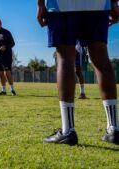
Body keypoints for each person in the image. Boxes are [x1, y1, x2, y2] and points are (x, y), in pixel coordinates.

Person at [37, 0, 119, 145]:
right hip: (98, 4)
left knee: (65, 57)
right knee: (101, 57)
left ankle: (67, 131)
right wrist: (113, 2)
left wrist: (40, 4)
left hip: (62, 4)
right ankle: (114, 129)